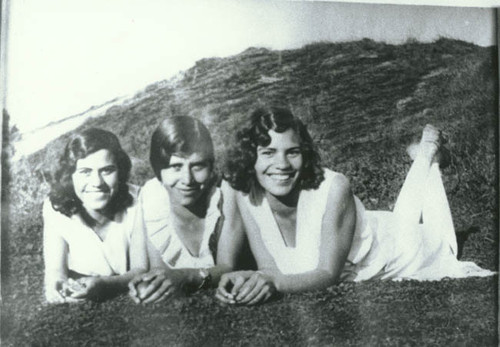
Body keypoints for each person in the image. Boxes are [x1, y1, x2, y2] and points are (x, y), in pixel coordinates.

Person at [216, 106, 495, 306]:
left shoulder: (334, 187)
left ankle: (429, 156)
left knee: (439, 240)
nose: (282, 165)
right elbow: (270, 268)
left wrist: (272, 283)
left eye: (293, 151)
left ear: (306, 153)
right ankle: (424, 154)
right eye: (267, 153)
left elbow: (327, 274)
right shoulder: (246, 194)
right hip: (372, 229)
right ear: (250, 157)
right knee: (401, 219)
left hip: (402, 249)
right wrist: (249, 280)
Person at [128, 116, 245, 304]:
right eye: (175, 167)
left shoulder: (225, 192)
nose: (187, 179)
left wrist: (185, 277)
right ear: (159, 171)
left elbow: (228, 266)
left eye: (197, 166)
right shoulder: (152, 198)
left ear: (211, 166)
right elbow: (161, 272)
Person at [43, 128, 149, 303]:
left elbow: (140, 269)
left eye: (107, 170)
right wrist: (56, 284)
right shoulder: (54, 207)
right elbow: (55, 271)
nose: (97, 182)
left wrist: (106, 285)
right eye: (85, 172)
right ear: (71, 176)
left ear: (120, 171)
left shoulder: (140, 201)